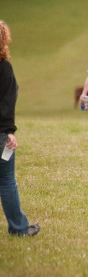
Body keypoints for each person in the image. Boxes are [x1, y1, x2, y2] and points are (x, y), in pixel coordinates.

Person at [0, 21, 39, 236]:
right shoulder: (4, 68)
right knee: (6, 180)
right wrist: (9, 132)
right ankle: (19, 229)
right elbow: (6, 102)